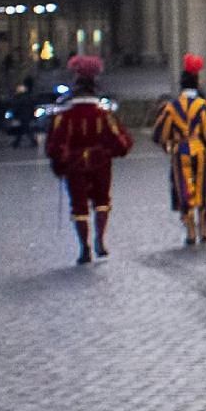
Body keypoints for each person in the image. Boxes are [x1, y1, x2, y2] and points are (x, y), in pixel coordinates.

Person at [42, 54, 130, 263]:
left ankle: (85, 247)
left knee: (79, 205)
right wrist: (112, 152)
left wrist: (60, 163)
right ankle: (100, 238)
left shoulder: (64, 117)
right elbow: (121, 142)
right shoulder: (104, 115)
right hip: (100, 163)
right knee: (102, 201)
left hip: (75, 165)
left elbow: (54, 145)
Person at [153, 53, 206, 246]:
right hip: (200, 150)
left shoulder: (171, 107)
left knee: (185, 190)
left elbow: (161, 133)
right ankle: (204, 228)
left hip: (180, 150)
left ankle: (190, 231)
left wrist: (168, 146)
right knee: (204, 188)